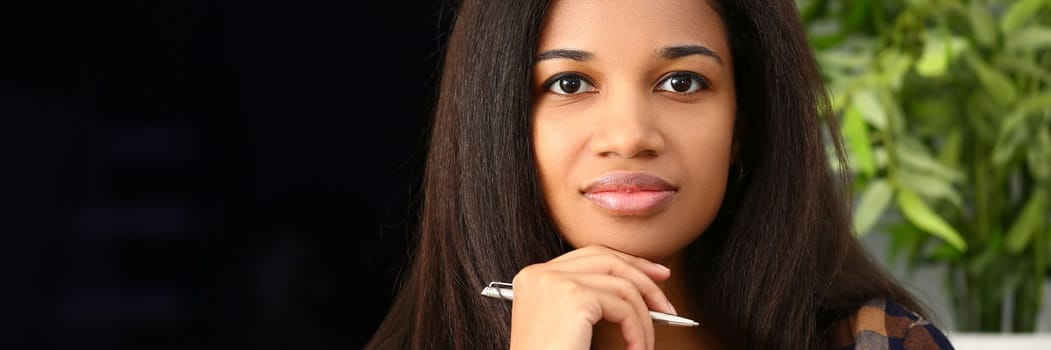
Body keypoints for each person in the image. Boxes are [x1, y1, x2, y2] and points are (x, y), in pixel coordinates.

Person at [367, 0, 954, 349]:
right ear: (499, 124)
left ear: (742, 123)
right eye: (569, 84)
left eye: (682, 82)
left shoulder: (878, 342)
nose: (629, 136)